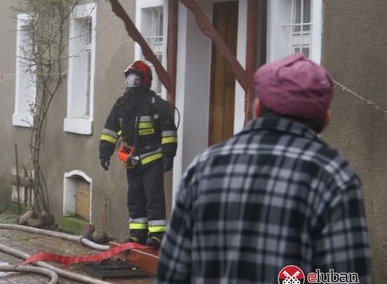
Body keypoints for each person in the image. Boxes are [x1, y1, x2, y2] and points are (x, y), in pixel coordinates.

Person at [157, 54, 371, 283]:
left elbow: (171, 273)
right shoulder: (334, 176)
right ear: (326, 118)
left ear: (257, 108)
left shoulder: (204, 167)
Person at [99, 60, 178, 247]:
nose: (129, 81)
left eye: (133, 77)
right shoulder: (122, 104)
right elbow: (110, 130)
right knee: (134, 198)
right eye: (128, 78)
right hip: (131, 160)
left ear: (143, 80)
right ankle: (137, 233)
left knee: (154, 197)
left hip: (153, 158)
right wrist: (104, 153)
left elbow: (168, 132)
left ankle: (157, 235)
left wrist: (169, 155)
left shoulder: (157, 104)